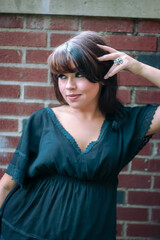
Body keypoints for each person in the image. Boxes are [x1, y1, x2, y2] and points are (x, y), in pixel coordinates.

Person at [0, 31, 160, 240]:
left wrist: (137, 67)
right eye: (62, 76)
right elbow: (8, 182)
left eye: (80, 75)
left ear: (103, 76)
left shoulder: (128, 124)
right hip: (24, 230)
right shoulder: (42, 120)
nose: (69, 86)